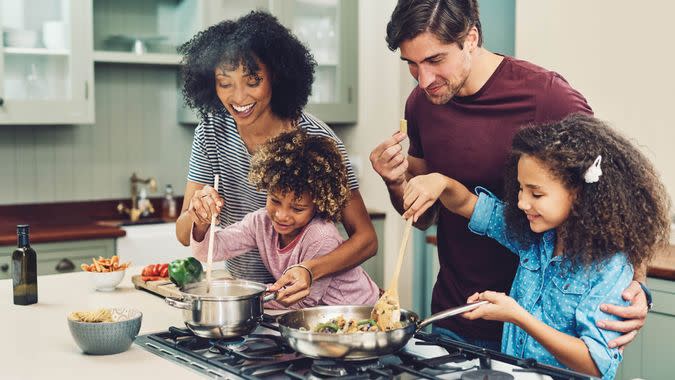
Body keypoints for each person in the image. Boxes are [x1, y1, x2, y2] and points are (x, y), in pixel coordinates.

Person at [370, 0, 649, 350]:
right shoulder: (421, 104)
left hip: (543, 336)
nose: (424, 80)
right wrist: (395, 181)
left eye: (435, 60)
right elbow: (425, 217)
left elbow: (609, 195)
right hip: (454, 318)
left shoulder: (547, 97)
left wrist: (635, 284)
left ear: (470, 38)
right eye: (411, 64)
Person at [401, 114, 671, 379]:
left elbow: (594, 363)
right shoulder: (532, 237)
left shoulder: (609, 268)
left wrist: (518, 316)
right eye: (520, 189)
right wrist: (441, 182)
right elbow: (468, 205)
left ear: (578, 193)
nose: (522, 203)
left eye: (536, 193)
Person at [176, 11, 377, 306]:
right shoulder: (211, 132)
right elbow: (185, 234)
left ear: (276, 76)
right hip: (250, 297)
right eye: (225, 82)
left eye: (253, 80)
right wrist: (199, 215)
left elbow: (366, 240)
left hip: (306, 304)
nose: (238, 97)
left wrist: (309, 270)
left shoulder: (317, 141)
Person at [191, 130, 379, 309]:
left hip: (358, 309)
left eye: (297, 208)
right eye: (275, 200)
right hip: (319, 315)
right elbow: (210, 251)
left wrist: (240, 292)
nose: (281, 215)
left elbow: (302, 301)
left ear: (318, 204)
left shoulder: (321, 237)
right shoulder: (261, 223)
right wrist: (202, 222)